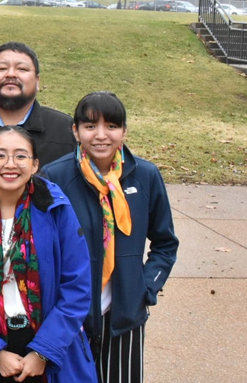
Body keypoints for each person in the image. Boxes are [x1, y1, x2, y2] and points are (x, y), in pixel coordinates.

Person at [42, 92, 179, 383]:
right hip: (70, 315)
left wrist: (145, 288)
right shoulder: (54, 177)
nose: (101, 135)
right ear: (75, 130)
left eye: (111, 126)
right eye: (90, 126)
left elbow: (165, 243)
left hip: (124, 314)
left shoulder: (146, 176)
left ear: (124, 131)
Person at [0, 126, 95, 383]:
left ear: (35, 165)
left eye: (21, 156)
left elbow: (77, 285)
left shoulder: (55, 209)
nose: (10, 164)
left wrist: (43, 352)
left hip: (48, 347)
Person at [0, 42, 76, 166]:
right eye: (1, 68)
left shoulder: (64, 130)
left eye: (22, 69)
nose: (11, 74)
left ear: (37, 81)